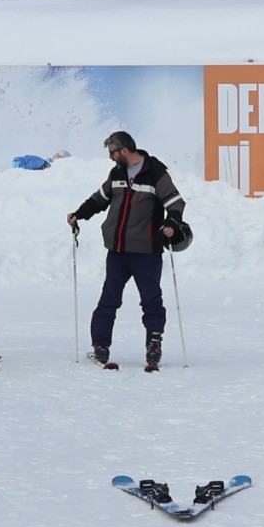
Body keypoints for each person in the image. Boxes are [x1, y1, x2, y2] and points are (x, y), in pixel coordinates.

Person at [70, 131, 184, 371]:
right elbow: (99, 199)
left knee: (151, 301)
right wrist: (79, 214)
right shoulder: (117, 173)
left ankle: (154, 344)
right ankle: (100, 345)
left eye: (112, 152)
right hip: (118, 251)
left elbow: (175, 203)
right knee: (109, 299)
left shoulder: (155, 172)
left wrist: (172, 225)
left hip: (146, 252)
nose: (110, 157)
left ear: (124, 150)